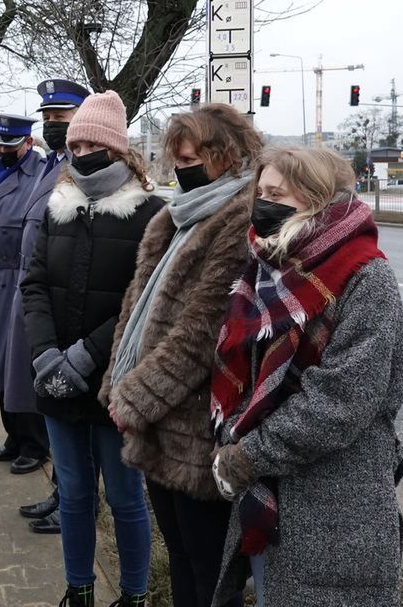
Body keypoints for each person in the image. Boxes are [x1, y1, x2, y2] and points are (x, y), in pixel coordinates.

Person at [210, 146, 403, 607]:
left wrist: (248, 455)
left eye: (275, 193)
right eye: (260, 192)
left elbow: (342, 401)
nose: (261, 203)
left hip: (336, 507)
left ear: (317, 199)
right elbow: (247, 368)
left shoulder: (365, 276)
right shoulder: (269, 269)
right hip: (270, 499)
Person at [99, 105, 262, 607]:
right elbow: (136, 311)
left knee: (210, 574)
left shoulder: (238, 222)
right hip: (159, 422)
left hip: (198, 428)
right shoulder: (178, 216)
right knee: (181, 559)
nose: (182, 168)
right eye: (178, 158)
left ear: (227, 155)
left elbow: (201, 334)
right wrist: (116, 383)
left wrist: (134, 399)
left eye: (193, 157)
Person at [22, 91, 165, 607]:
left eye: (91, 142)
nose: (79, 150)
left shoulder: (152, 214)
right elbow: (33, 284)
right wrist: (44, 355)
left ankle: (133, 594)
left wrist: (86, 356)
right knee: (76, 495)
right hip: (55, 380)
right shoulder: (55, 209)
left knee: (126, 499)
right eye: (74, 141)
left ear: (118, 150)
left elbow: (144, 299)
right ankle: (78, 588)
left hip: (115, 385)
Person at [7, 79, 90, 534]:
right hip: (45, 299)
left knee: (72, 409)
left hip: (70, 305)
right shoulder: (53, 164)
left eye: (59, 119)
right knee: (55, 409)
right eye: (48, 119)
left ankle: (76, 500)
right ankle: (63, 492)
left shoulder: (86, 168)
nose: (50, 127)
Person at [0, 113, 50, 474]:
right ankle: (13, 435)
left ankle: (34, 442)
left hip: (17, 277)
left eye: (11, 145)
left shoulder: (40, 176)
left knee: (19, 362)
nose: (3, 150)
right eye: (0, 144)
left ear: (28, 144)